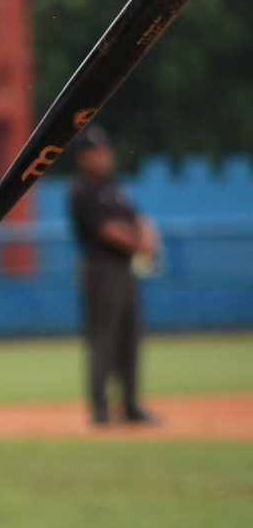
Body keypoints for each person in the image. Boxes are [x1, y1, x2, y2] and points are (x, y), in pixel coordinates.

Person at [68, 125, 160, 426]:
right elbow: (106, 230)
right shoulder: (82, 189)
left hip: (124, 267)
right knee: (104, 338)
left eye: (104, 150)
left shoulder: (113, 187)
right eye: (96, 151)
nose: (103, 156)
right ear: (82, 157)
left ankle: (131, 405)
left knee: (129, 336)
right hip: (100, 268)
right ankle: (100, 408)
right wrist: (139, 243)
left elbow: (138, 218)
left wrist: (147, 237)